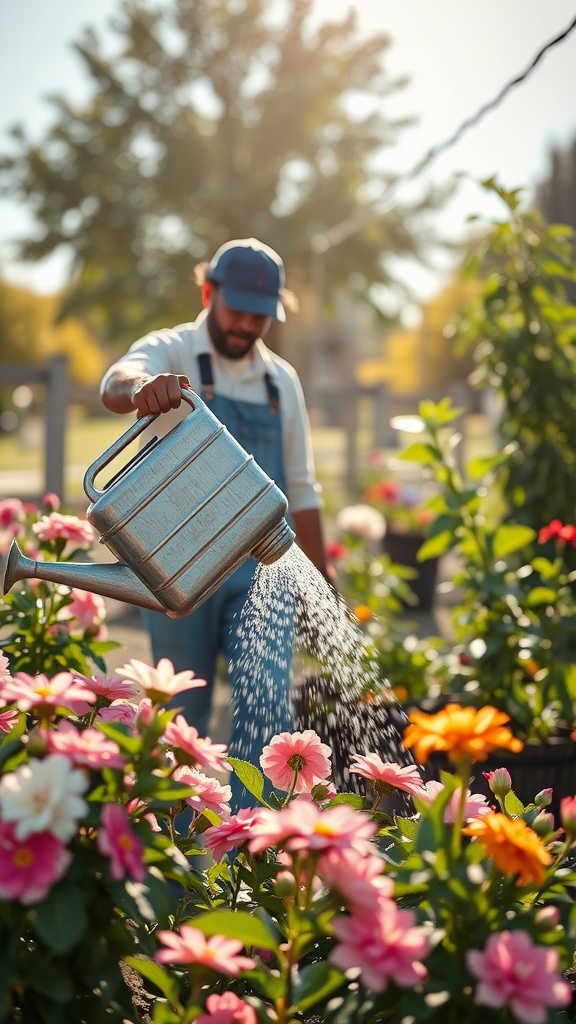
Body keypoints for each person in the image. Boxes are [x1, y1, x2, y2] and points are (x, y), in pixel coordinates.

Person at [100, 237, 330, 806]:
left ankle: (256, 861)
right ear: (208, 292)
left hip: (263, 575)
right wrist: (139, 389)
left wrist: (320, 588)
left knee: (265, 709)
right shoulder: (172, 352)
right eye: (237, 310)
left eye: (261, 315)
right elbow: (116, 380)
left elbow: (300, 491)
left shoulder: (281, 382)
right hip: (179, 573)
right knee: (180, 722)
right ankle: (176, 869)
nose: (247, 324)